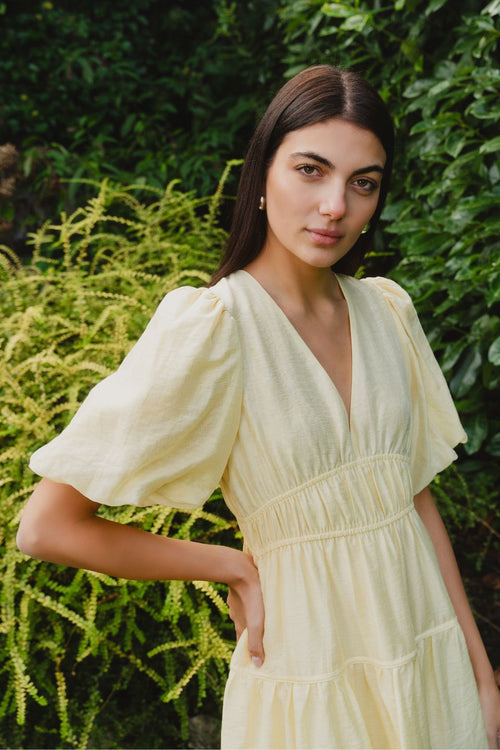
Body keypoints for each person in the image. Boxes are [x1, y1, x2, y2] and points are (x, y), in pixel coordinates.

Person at [17, 65, 500, 749]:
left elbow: (415, 499)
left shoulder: (389, 311)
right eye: (311, 170)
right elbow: (48, 527)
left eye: (363, 183)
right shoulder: (215, 328)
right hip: (311, 676)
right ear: (262, 175)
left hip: (427, 658)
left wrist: (481, 680)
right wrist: (228, 565)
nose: (336, 204)